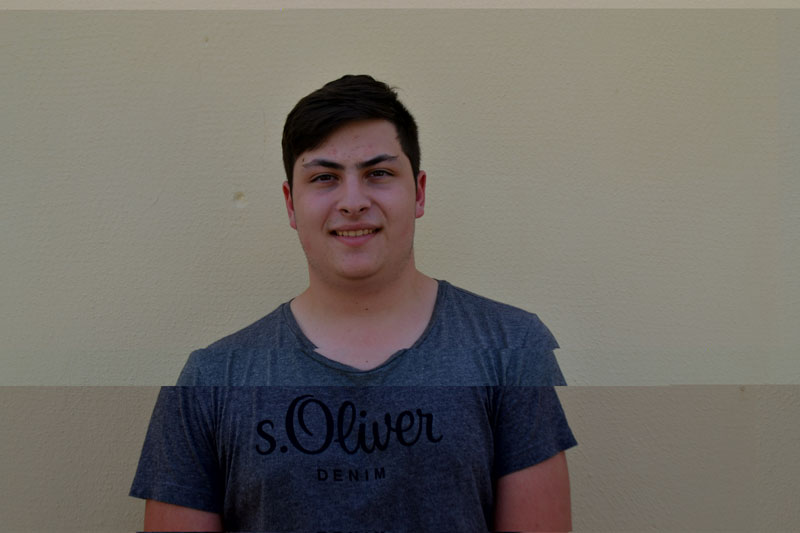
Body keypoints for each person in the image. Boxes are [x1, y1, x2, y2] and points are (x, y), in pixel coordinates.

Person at [130, 74, 577, 532]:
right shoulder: (209, 382)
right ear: (290, 203)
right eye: (324, 178)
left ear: (419, 192)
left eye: (378, 174)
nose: (353, 202)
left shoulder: (509, 348)